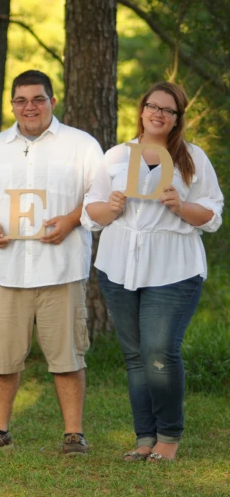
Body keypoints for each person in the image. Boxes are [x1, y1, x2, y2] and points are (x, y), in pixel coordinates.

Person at [0, 70, 103, 455]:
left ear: (53, 102)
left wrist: (71, 220)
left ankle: (74, 434)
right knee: (1, 355)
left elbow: (103, 197)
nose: (29, 107)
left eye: (38, 99)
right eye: (21, 100)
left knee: (67, 354)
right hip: (5, 269)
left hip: (61, 267)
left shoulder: (81, 146)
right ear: (12, 105)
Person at [83, 82, 223, 462]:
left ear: (178, 118)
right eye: (152, 106)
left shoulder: (192, 159)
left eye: (168, 109)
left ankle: (168, 437)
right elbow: (91, 211)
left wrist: (181, 205)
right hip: (118, 267)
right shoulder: (115, 157)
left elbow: (212, 215)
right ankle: (144, 438)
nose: (158, 113)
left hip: (173, 269)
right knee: (135, 356)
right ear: (142, 110)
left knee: (159, 351)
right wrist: (110, 207)